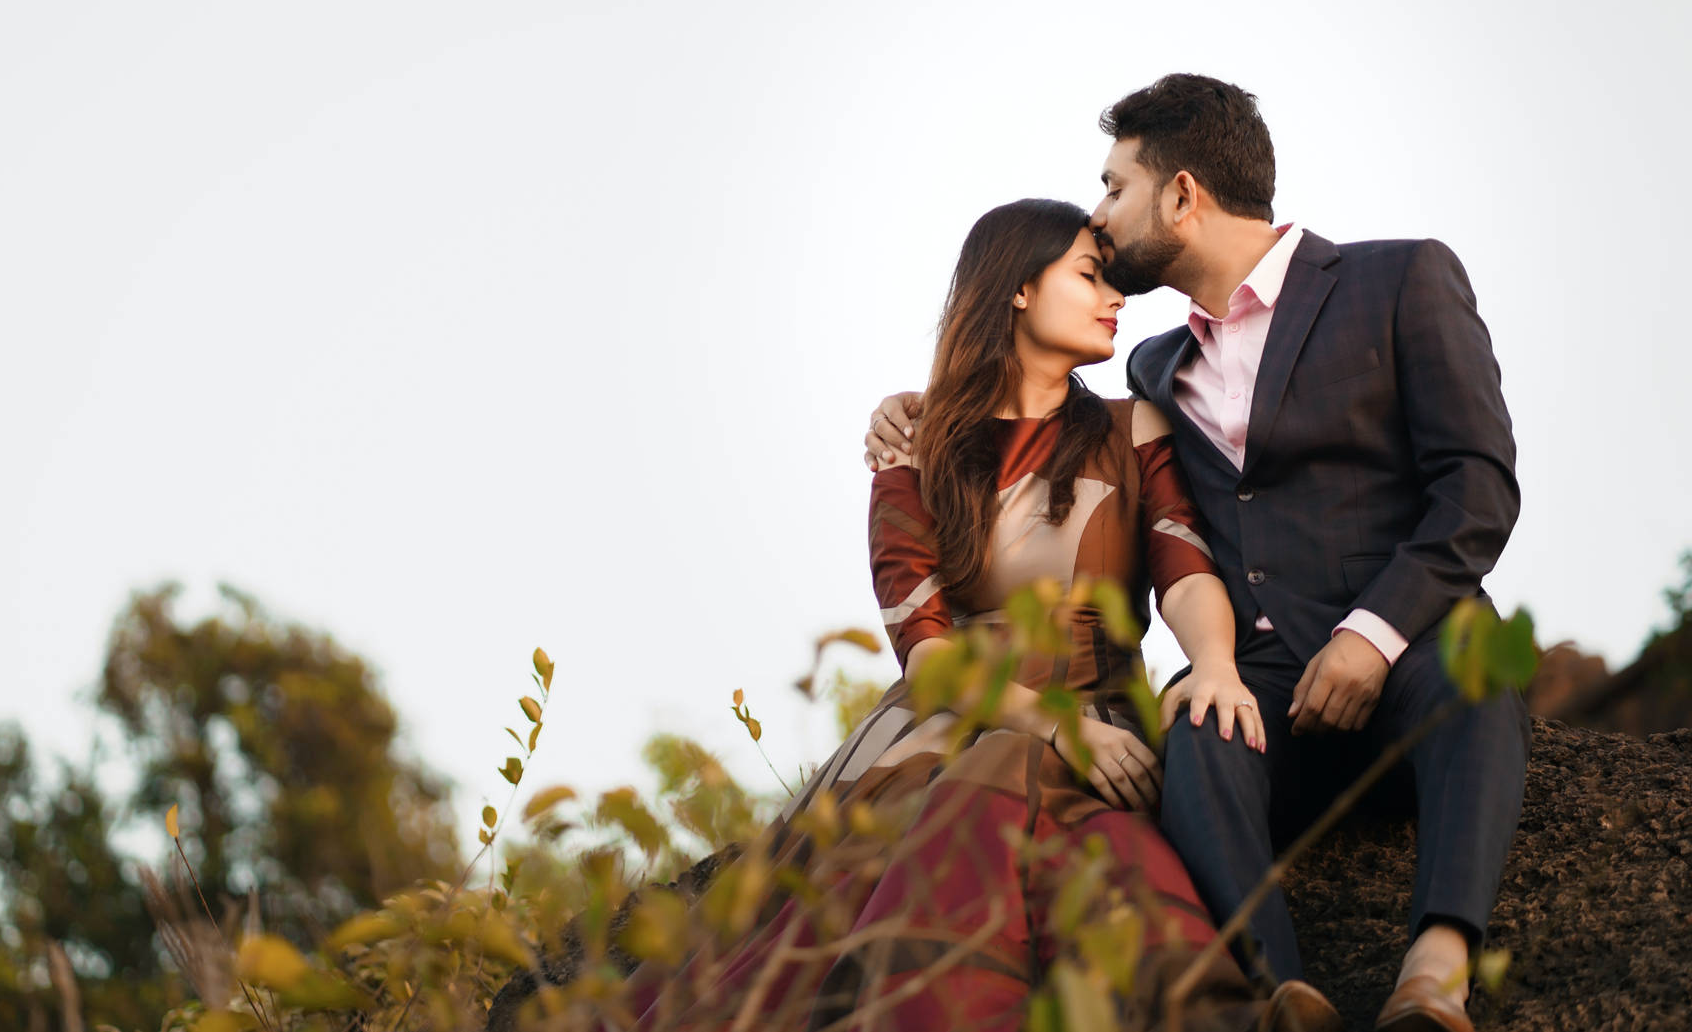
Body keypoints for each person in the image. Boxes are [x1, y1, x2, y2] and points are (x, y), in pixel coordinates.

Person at [864, 75, 1528, 1032]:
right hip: (1260, 676)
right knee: (1201, 740)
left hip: (1408, 647)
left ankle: (1435, 972)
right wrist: (919, 408)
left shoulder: (1401, 279)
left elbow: (1478, 485)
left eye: (1113, 187)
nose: (1101, 214)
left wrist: (1370, 635)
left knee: (1476, 670)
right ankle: (1273, 990)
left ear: (1181, 194)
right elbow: (1043, 420)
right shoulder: (1151, 368)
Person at [611, 200, 1334, 1032]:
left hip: (1103, 713)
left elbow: (1184, 569)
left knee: (1111, 853)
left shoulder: (1133, 426)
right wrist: (1058, 729)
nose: (1118, 299)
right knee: (1009, 827)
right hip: (946, 727)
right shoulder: (915, 453)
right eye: (1089, 276)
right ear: (1019, 289)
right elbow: (925, 648)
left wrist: (1212, 662)